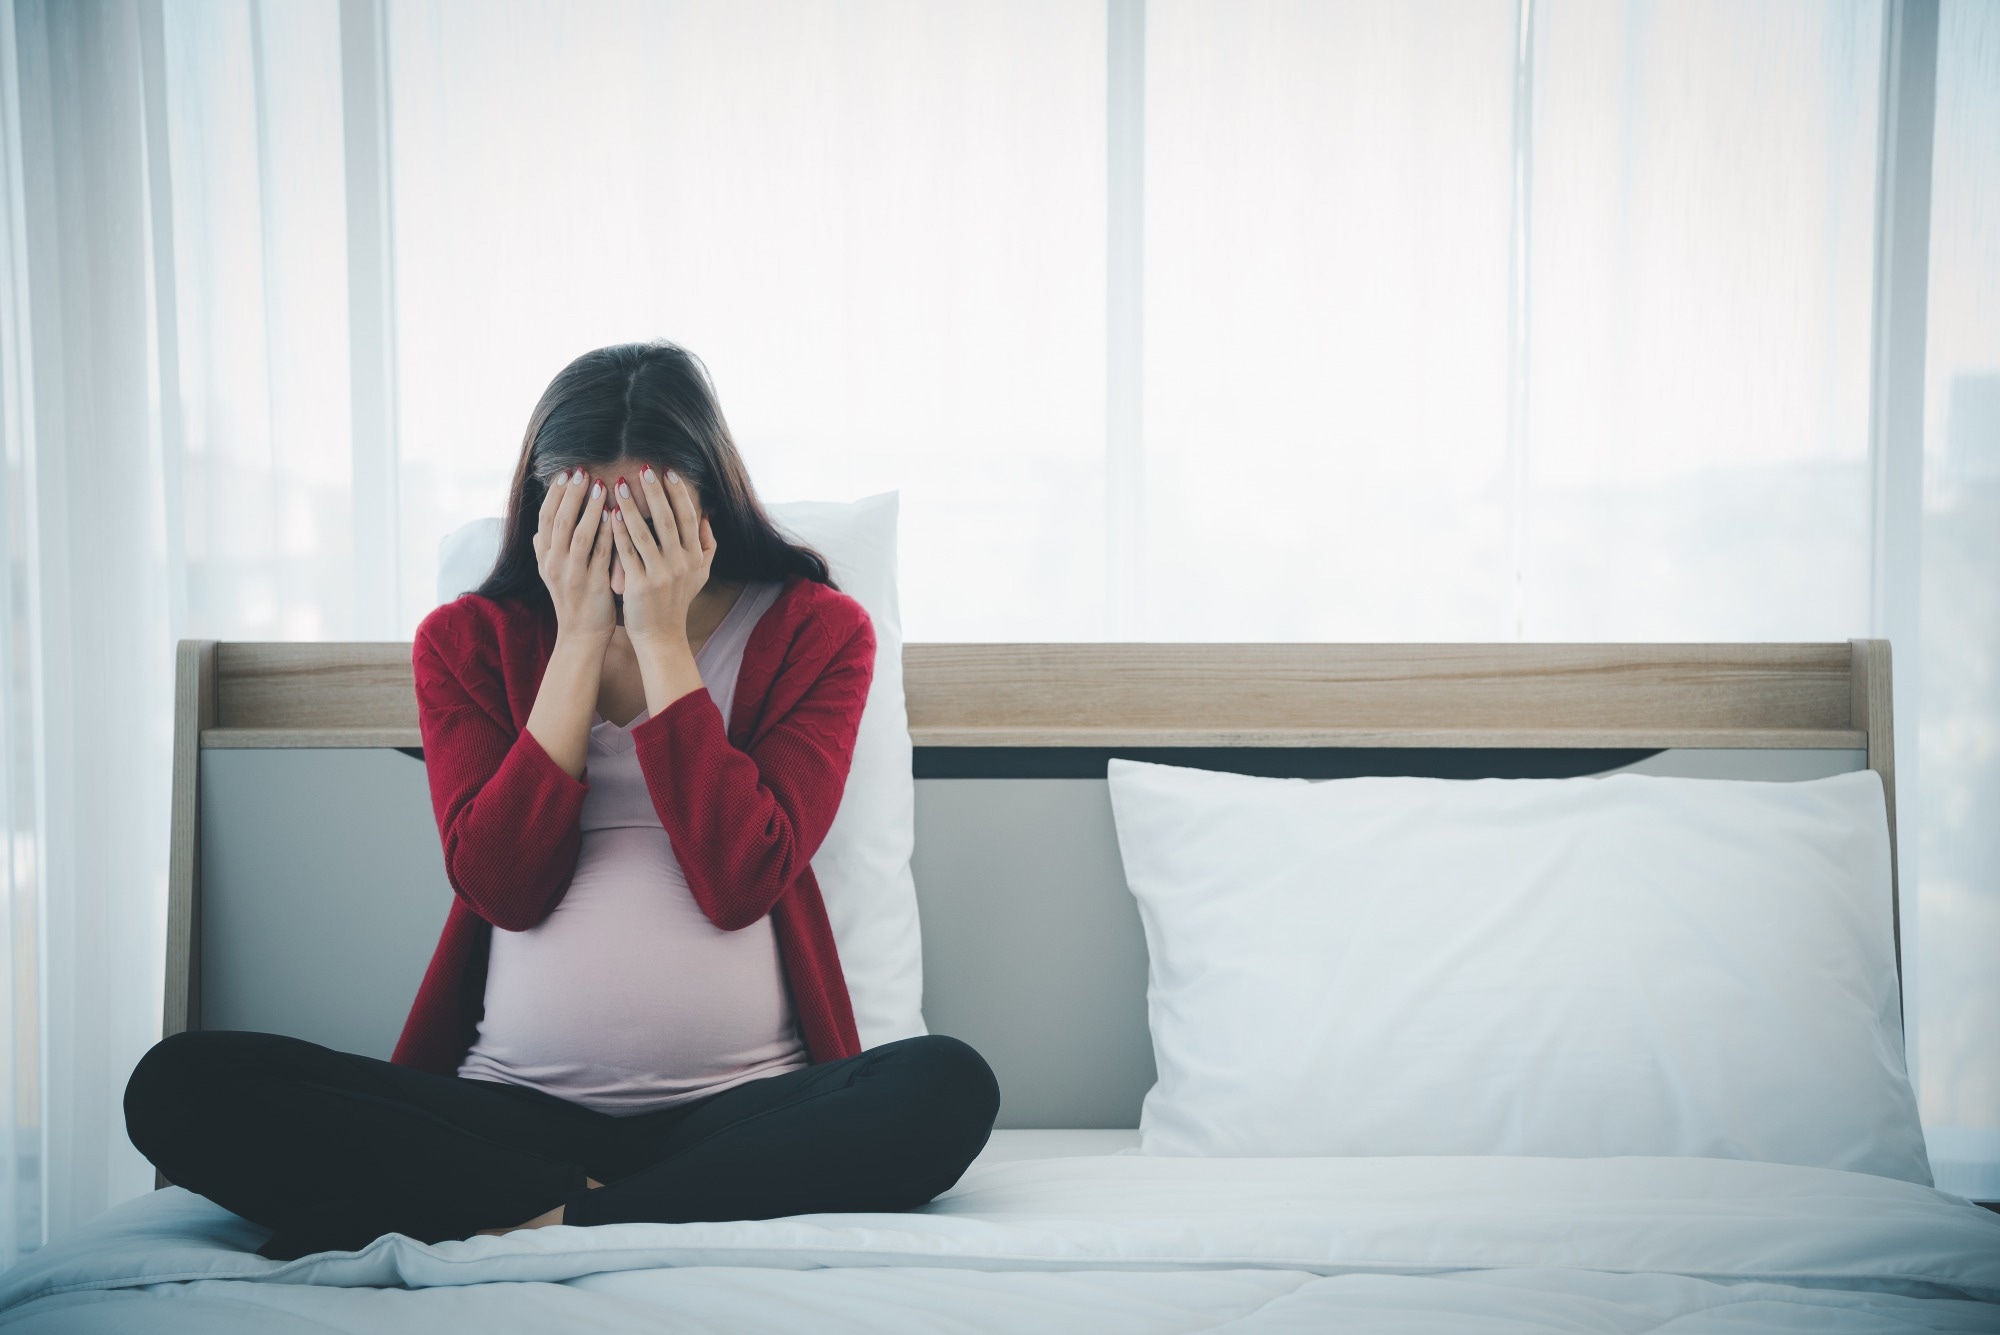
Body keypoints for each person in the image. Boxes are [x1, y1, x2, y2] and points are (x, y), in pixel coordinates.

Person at [124, 341, 1000, 1261]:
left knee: (947, 1086)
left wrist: (663, 641)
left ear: (706, 508)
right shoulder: (466, 641)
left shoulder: (818, 631)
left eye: (651, 518)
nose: (621, 549)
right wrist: (580, 639)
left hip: (743, 1111)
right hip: (507, 1111)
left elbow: (742, 879)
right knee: (176, 1086)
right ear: (544, 517)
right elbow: (502, 887)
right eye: (590, 521)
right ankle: (615, 1204)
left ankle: (546, 1217)